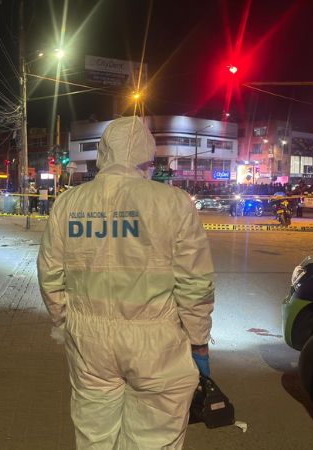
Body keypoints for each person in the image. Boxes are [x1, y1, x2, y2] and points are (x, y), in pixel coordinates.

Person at [37, 116, 215, 449]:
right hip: (156, 341)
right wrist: (198, 339)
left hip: (89, 339)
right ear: (147, 159)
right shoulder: (172, 202)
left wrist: (66, 321)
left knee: (95, 435)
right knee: (153, 437)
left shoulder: (68, 203)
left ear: (104, 154)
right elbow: (194, 281)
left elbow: (50, 274)